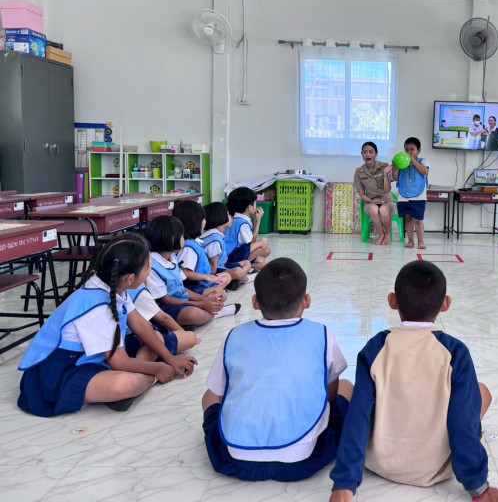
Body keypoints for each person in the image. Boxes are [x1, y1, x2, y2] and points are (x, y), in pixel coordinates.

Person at [328, 260, 498, 502]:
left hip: (380, 462)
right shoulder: (455, 352)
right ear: (446, 304)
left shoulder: (375, 347)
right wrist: (478, 488)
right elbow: (461, 421)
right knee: (482, 393)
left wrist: (344, 484)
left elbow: (359, 416)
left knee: (352, 391)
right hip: (435, 468)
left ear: (392, 300)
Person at [202, 258, 353, 481]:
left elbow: (222, 395)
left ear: (255, 302)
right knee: (347, 386)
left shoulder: (235, 335)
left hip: (235, 459)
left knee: (209, 395)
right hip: (304, 460)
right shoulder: (321, 333)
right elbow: (330, 396)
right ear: (306, 301)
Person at [17, 233, 197, 417]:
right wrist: (158, 369)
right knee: (125, 384)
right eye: (148, 267)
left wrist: (169, 359)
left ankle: (138, 376)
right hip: (59, 372)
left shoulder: (114, 286)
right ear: (130, 278)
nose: (150, 271)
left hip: (97, 357)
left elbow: (141, 325)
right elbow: (120, 362)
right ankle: (148, 379)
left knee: (156, 337)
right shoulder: (99, 308)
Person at [145, 216, 238, 328]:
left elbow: (183, 289)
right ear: (172, 239)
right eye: (182, 236)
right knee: (193, 314)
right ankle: (216, 313)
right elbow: (166, 300)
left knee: (221, 294)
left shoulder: (173, 257)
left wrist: (203, 299)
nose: (184, 239)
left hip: (184, 301)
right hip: (167, 308)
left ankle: (205, 313)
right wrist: (201, 304)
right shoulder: (152, 266)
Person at [173, 200, 233, 292]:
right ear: (196, 222)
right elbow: (185, 272)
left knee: (227, 276)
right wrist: (206, 277)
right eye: (203, 218)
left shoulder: (192, 243)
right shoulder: (189, 247)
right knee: (226, 280)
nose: (205, 221)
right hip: (197, 288)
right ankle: (209, 295)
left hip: (202, 283)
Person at [353, 141, 396, 246]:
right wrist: (372, 201)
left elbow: (387, 190)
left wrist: (385, 174)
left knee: (384, 209)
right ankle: (381, 234)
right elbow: (362, 195)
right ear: (361, 154)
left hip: (387, 200)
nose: (367, 155)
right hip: (370, 202)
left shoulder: (384, 167)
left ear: (376, 154)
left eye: (371, 152)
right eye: (364, 152)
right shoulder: (359, 172)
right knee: (374, 209)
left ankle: (387, 235)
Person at [391, 137, 430, 250]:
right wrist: (394, 169)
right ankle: (411, 241)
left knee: (418, 220)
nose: (409, 152)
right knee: (407, 219)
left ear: (419, 151)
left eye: (412, 149)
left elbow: (425, 172)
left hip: (419, 197)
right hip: (403, 196)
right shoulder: (402, 163)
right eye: (406, 149)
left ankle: (421, 241)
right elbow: (396, 178)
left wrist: (413, 161)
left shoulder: (423, 161)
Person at [201, 202, 251, 286]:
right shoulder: (215, 240)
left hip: (224, 265)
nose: (231, 216)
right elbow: (213, 265)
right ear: (220, 217)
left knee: (247, 263)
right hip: (218, 270)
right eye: (228, 214)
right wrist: (213, 281)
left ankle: (235, 280)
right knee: (238, 272)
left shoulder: (214, 235)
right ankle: (244, 279)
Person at [225, 186, 271, 271]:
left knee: (265, 255)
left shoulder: (237, 218)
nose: (256, 206)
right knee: (264, 243)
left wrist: (255, 219)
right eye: (255, 203)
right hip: (233, 255)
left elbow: (251, 233)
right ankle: (239, 266)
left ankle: (245, 266)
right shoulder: (241, 223)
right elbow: (252, 241)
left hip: (233, 253)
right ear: (250, 207)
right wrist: (258, 220)